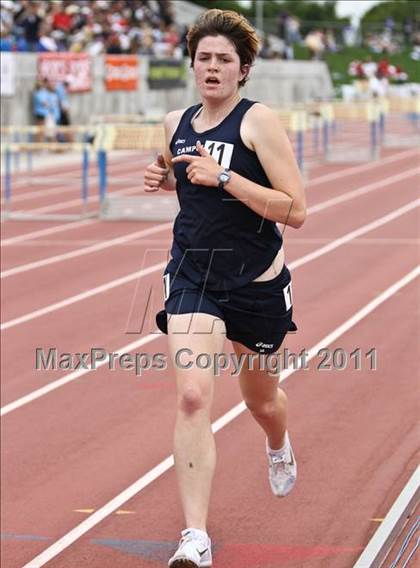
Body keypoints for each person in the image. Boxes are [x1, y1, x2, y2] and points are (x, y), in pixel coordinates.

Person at [143, 9, 306, 567]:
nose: (212, 68)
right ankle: (195, 538)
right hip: (193, 275)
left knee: (262, 402)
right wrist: (161, 174)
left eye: (224, 60)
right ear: (192, 65)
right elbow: (174, 166)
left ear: (243, 70)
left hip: (257, 286)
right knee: (192, 396)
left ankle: (279, 444)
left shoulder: (257, 122)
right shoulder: (174, 120)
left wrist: (228, 178)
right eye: (204, 58)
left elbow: (296, 210)